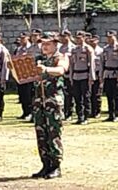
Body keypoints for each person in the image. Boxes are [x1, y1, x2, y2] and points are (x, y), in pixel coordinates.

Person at [32, 32, 69, 179]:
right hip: (39, 100)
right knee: (41, 133)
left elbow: (61, 70)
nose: (44, 46)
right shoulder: (38, 59)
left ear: (55, 44)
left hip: (52, 100)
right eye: (42, 44)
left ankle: (55, 166)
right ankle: (45, 164)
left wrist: (46, 69)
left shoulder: (60, 57)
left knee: (53, 132)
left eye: (47, 44)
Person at [100, 30, 118, 122]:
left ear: (115, 37)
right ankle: (111, 114)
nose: (109, 39)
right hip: (107, 74)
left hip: (116, 74)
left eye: (110, 37)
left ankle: (117, 114)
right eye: (108, 37)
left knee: (117, 95)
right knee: (109, 95)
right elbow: (102, 62)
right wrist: (101, 75)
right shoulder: (106, 48)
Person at [70, 31, 95, 125]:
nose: (78, 39)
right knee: (77, 97)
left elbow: (91, 64)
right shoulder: (74, 49)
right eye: (77, 38)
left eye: (80, 38)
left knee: (86, 97)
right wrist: (71, 76)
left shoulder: (88, 49)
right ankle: (80, 116)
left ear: (84, 38)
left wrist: (91, 77)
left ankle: (86, 116)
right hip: (76, 75)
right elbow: (72, 64)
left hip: (85, 75)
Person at [14, 32, 33, 121]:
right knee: (22, 95)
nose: (22, 40)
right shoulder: (18, 49)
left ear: (28, 38)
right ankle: (25, 112)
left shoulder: (31, 48)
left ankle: (30, 112)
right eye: (21, 38)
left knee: (29, 94)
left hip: (29, 74)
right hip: (20, 75)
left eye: (23, 38)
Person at [59, 29, 76, 121]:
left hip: (71, 72)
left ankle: (69, 112)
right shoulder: (60, 48)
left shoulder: (73, 47)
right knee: (64, 94)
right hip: (62, 73)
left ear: (68, 36)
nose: (61, 38)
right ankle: (65, 111)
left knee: (70, 93)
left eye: (63, 36)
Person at [89, 35, 103, 118]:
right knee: (90, 93)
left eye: (94, 41)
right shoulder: (89, 50)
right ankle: (92, 111)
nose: (92, 42)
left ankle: (97, 111)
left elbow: (102, 64)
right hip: (90, 73)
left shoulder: (100, 51)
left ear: (97, 41)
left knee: (97, 93)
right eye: (91, 41)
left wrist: (101, 75)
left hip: (97, 73)